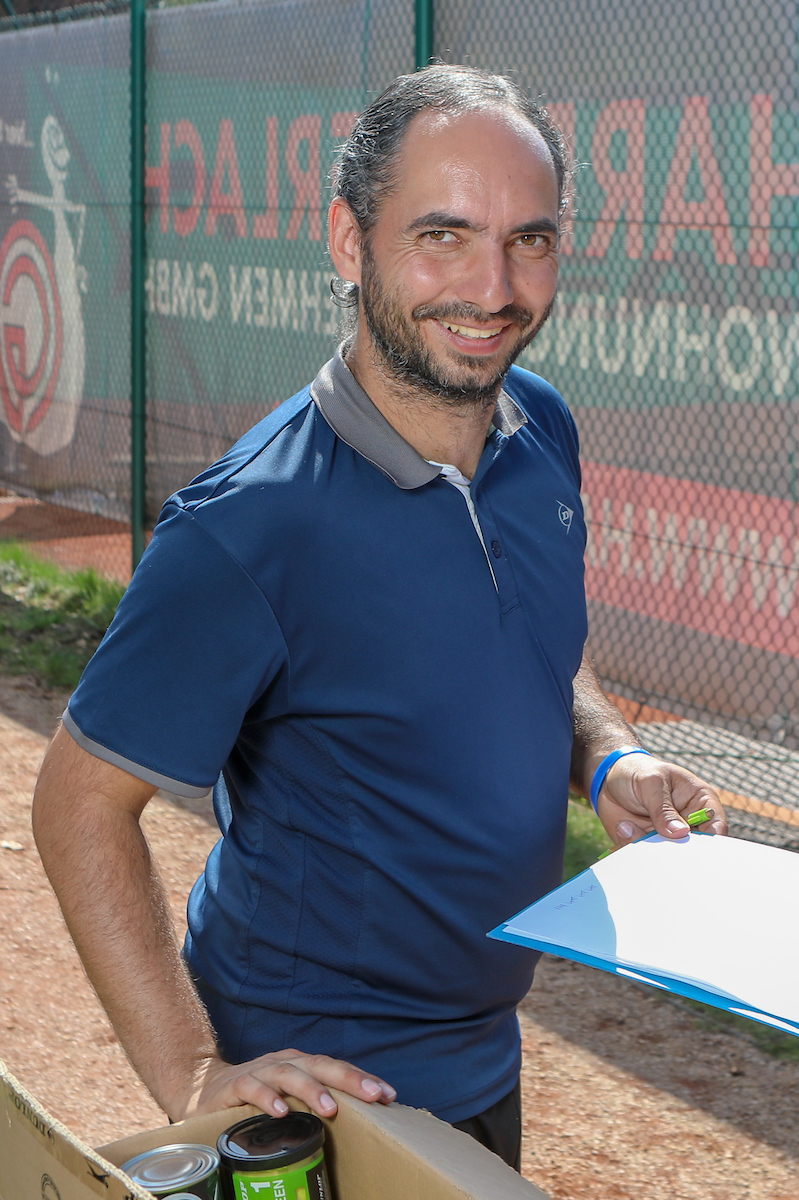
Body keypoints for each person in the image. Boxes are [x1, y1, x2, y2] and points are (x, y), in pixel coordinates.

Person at [32, 65, 725, 1172]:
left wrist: (606, 756)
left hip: (484, 1060)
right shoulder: (247, 528)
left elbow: (532, 645)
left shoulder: (537, 423)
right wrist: (192, 1076)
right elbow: (76, 807)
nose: (492, 286)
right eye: (442, 235)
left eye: (528, 240)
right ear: (349, 243)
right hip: (321, 1103)